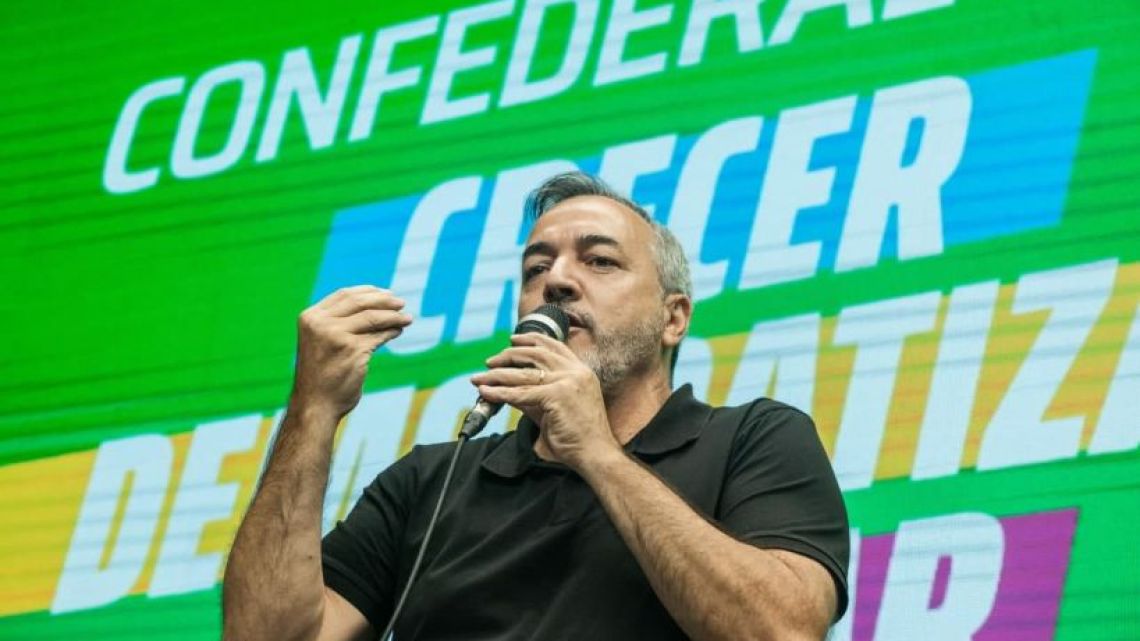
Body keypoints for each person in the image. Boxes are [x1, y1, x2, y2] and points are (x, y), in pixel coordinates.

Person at [222, 171, 849, 641]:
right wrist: (313, 410)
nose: (557, 281)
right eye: (535, 268)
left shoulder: (753, 438)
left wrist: (595, 452)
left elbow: (782, 631)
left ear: (673, 318)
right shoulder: (428, 482)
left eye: (600, 261)